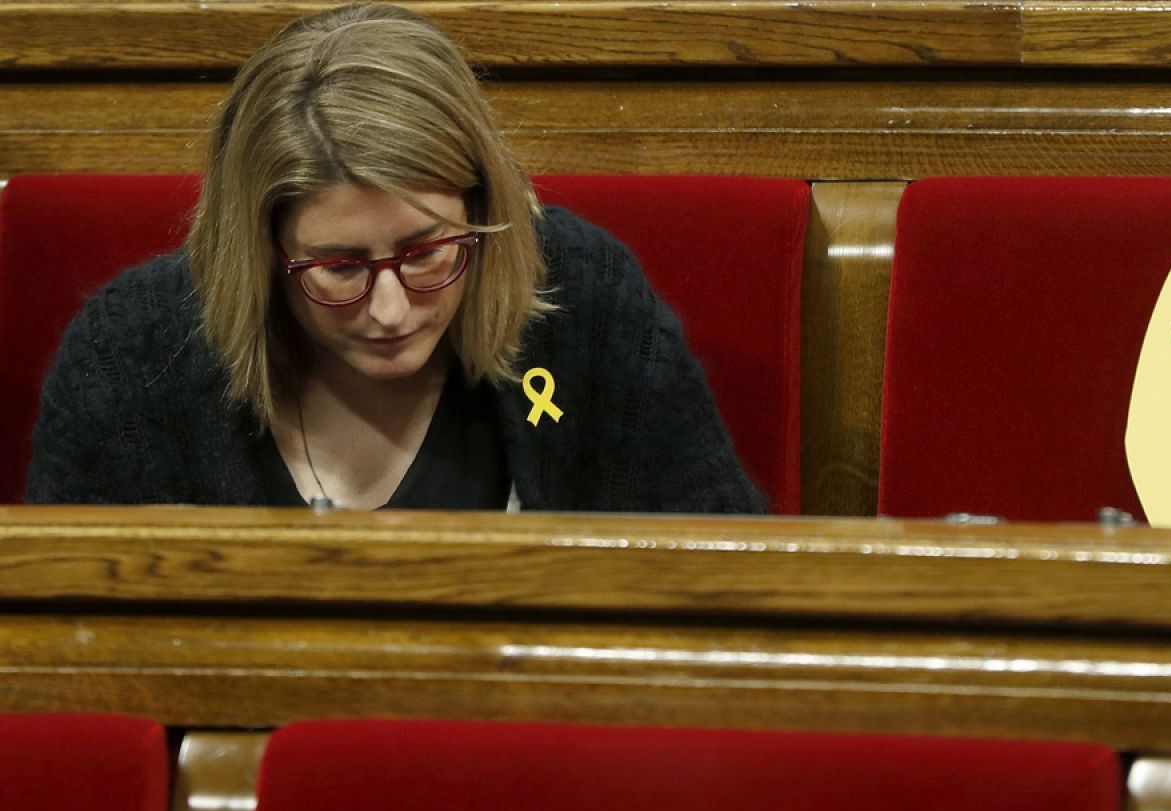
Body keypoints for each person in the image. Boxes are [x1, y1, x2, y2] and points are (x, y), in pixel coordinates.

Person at [26, 2, 765, 513]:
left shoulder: (582, 298)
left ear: (481, 211)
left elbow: (722, 585)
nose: (390, 310)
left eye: (428, 253)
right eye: (339, 268)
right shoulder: (131, 354)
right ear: (262, 252)